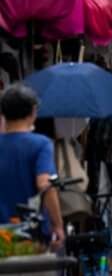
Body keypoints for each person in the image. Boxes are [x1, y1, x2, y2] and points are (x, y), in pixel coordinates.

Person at [0, 83, 62, 250]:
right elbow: (44, 183)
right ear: (33, 112)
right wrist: (57, 225)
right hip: (29, 234)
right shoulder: (41, 144)